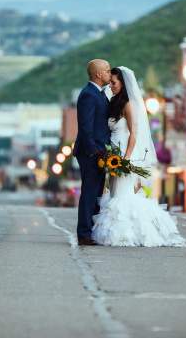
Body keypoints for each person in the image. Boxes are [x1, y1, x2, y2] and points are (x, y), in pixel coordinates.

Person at [91, 66, 186, 247]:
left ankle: (128, 234)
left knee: (122, 196)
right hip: (113, 154)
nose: (110, 85)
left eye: (114, 82)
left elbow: (134, 134)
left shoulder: (128, 104)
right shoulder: (113, 103)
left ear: (123, 84)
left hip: (125, 156)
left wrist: (125, 160)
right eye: (110, 82)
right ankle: (119, 232)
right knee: (114, 194)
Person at [73, 59, 112, 245]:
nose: (109, 73)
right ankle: (84, 234)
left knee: (96, 192)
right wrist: (95, 153)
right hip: (90, 153)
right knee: (89, 192)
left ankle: (92, 231)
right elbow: (85, 128)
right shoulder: (89, 95)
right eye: (106, 70)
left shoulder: (99, 94)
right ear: (98, 74)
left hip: (99, 151)